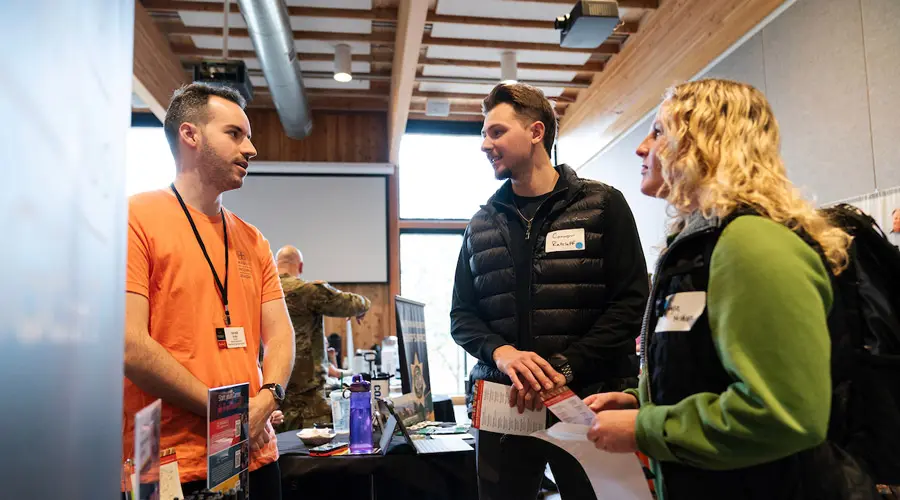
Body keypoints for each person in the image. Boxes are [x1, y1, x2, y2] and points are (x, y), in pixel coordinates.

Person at [584, 79, 871, 499]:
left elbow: (783, 414)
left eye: (659, 131)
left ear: (704, 141)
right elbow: (707, 371)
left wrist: (646, 428)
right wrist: (641, 401)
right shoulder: (703, 243)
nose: (641, 147)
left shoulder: (750, 243)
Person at [450, 82, 649, 500]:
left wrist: (566, 366)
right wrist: (501, 354)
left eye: (497, 132)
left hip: (589, 401)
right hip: (504, 409)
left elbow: (631, 303)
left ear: (537, 133)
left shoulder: (603, 205)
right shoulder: (481, 223)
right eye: (484, 134)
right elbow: (462, 316)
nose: (485, 144)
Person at [123, 83, 295, 499]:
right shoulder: (135, 218)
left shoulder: (252, 240)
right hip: (170, 463)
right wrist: (232, 413)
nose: (251, 148)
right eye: (235, 134)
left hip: (254, 453)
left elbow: (281, 336)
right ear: (190, 135)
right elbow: (130, 346)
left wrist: (268, 399)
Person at [274, 245, 371, 431]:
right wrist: (362, 307)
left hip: (271, 395)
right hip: (307, 399)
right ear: (300, 266)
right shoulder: (308, 291)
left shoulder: (260, 291)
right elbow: (354, 303)